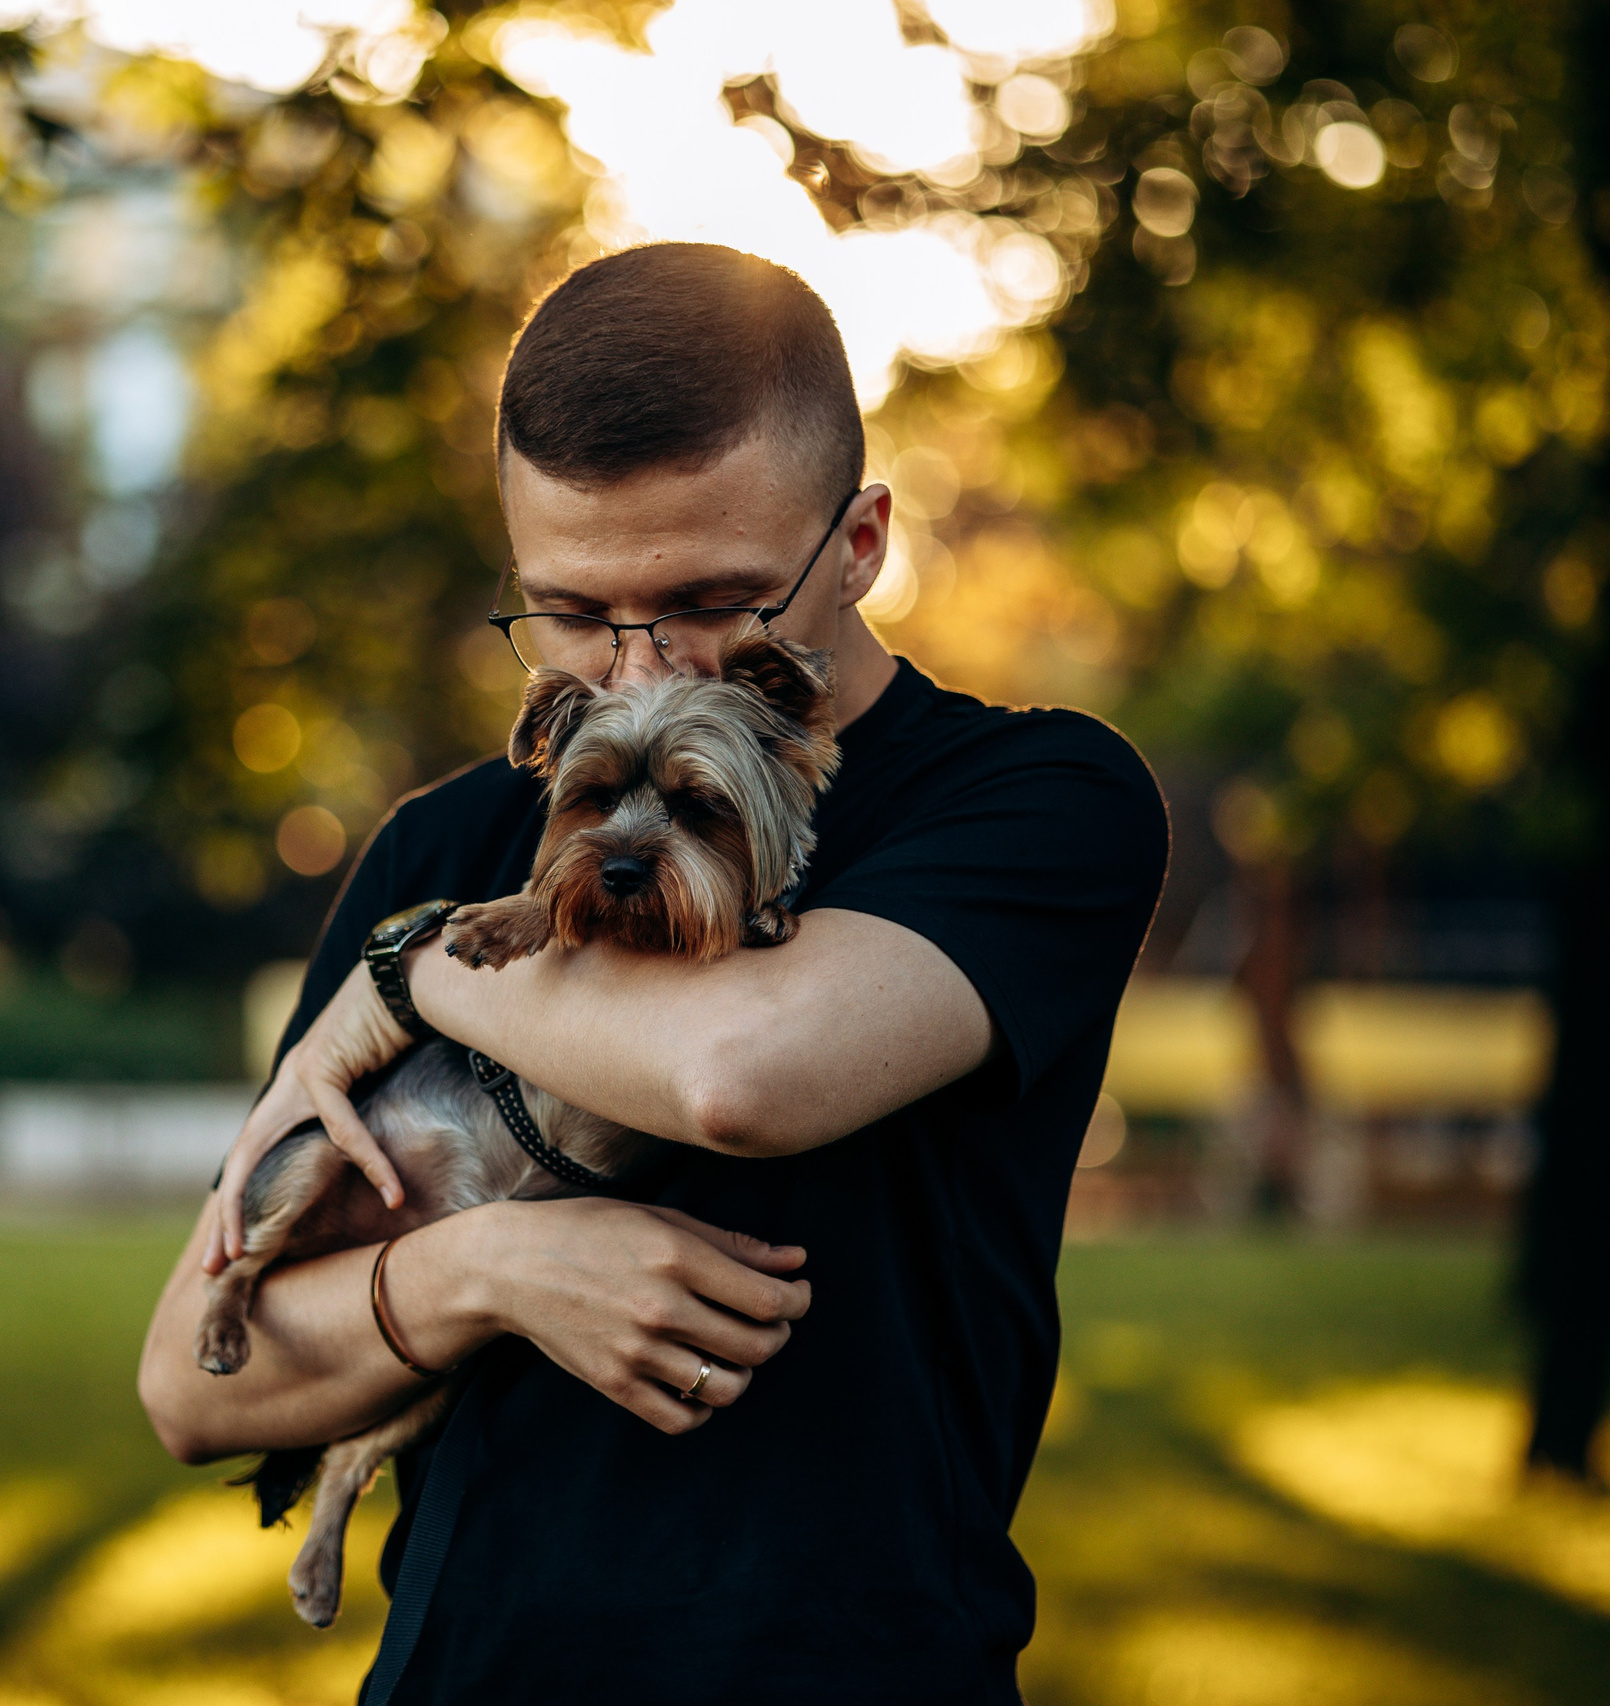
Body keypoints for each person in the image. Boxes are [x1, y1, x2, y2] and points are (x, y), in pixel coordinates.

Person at [138, 242, 1168, 1704]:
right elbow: (190, 1376)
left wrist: (424, 964)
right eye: (568, 612)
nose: (631, 673)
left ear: (864, 538)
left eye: (707, 599)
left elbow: (737, 1072)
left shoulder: (1038, 796)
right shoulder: (448, 834)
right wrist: (485, 1267)